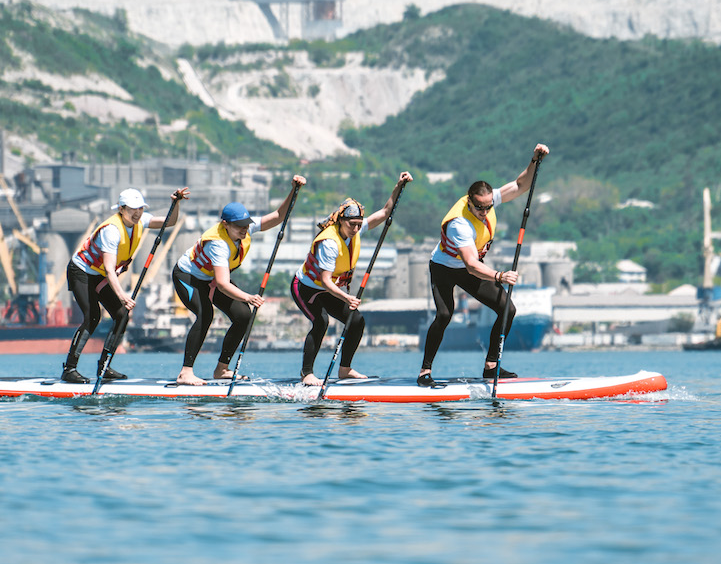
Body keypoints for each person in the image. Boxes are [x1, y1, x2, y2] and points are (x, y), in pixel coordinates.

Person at [417, 144, 549, 386]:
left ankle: (491, 366)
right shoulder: (460, 223)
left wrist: (534, 160)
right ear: (470, 202)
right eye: (479, 207)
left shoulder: (487, 202)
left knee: (507, 309)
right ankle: (425, 371)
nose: (484, 211)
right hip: (445, 268)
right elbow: (470, 264)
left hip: (470, 267)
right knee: (445, 314)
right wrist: (499, 276)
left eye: (488, 206)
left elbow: (520, 185)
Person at [172, 175, 306, 386]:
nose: (244, 229)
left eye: (246, 225)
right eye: (239, 226)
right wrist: (249, 296)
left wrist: (294, 191)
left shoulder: (244, 228)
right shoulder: (218, 244)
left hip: (210, 279)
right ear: (225, 224)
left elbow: (279, 216)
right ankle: (185, 372)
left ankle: (221, 369)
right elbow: (223, 284)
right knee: (205, 315)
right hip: (188, 277)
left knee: (243, 315)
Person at [291, 172, 413, 386]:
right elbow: (326, 281)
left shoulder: (355, 229)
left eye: (359, 224)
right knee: (321, 322)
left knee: (356, 321)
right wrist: (347, 299)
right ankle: (307, 373)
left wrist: (399, 186)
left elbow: (385, 212)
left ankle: (345, 370)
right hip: (307, 288)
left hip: (329, 289)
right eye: (352, 224)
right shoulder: (329, 242)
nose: (356, 229)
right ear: (341, 221)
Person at [61, 187, 189, 383]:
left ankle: (104, 366)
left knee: (121, 315)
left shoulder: (141, 220)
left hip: (101, 274)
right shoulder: (111, 231)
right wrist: (122, 295)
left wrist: (176, 203)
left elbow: (170, 221)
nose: (137, 213)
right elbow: (110, 269)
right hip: (82, 272)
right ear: (121, 209)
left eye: (140, 208)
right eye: (132, 209)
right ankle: (69, 369)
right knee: (93, 316)